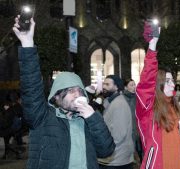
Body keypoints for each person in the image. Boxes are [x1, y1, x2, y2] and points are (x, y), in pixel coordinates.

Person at [13, 16, 115, 169]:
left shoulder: (89, 119)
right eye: (70, 91)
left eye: (80, 90)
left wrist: (93, 118)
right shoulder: (42, 117)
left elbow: (106, 150)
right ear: (56, 96)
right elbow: (31, 88)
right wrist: (27, 44)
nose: (77, 94)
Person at [135, 22, 180, 169]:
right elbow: (146, 83)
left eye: (173, 81)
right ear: (158, 84)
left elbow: (177, 137)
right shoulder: (148, 107)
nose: (173, 85)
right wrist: (152, 46)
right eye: (168, 81)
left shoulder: (174, 105)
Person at [98, 75, 134, 169]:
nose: (104, 87)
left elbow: (118, 135)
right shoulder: (111, 102)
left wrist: (104, 148)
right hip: (114, 158)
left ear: (117, 87)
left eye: (107, 84)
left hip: (117, 159)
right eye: (104, 84)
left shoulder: (119, 104)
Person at [123, 78, 143, 163]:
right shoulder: (122, 99)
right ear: (125, 87)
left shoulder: (138, 97)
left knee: (141, 151)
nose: (134, 86)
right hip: (128, 129)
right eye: (131, 85)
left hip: (138, 128)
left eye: (134, 84)